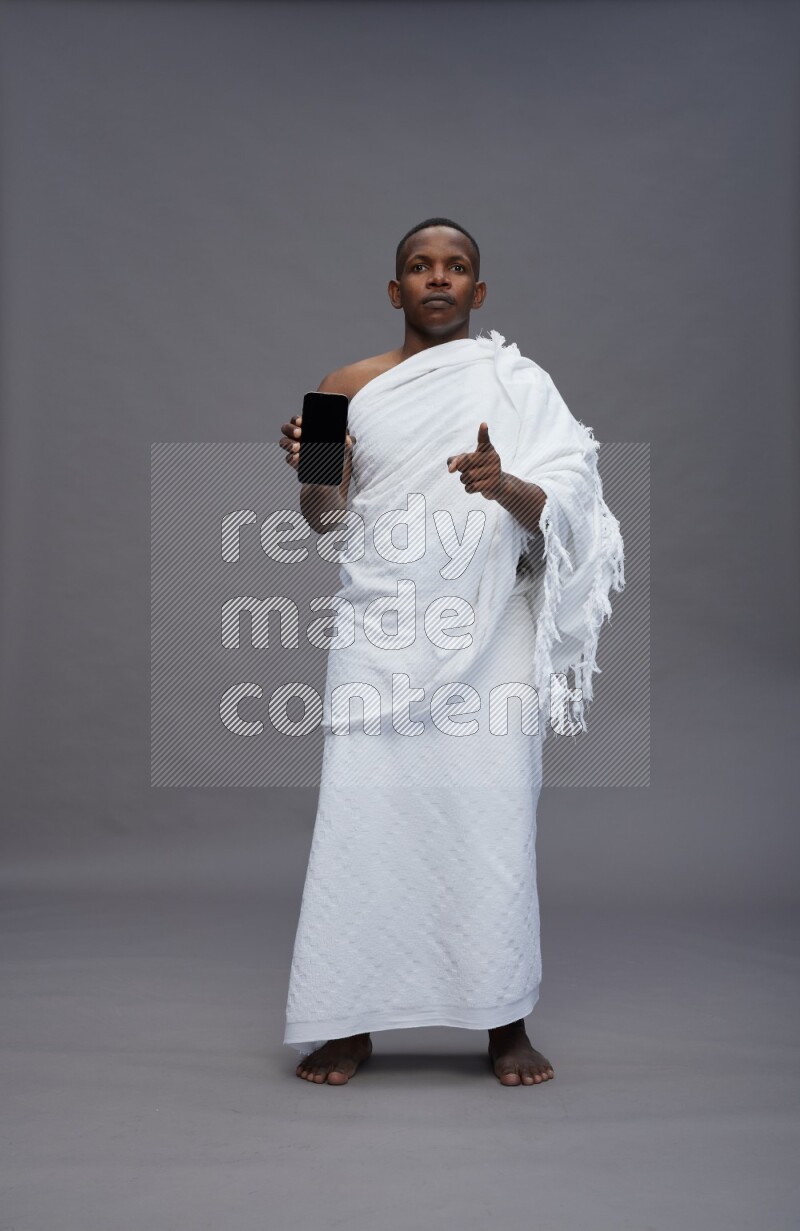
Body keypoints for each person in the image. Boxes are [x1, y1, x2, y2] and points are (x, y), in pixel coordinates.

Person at [278, 217, 624, 1086]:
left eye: (456, 266)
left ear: (479, 290)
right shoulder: (339, 390)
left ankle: (504, 1020)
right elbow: (323, 520)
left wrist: (500, 480)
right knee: (363, 821)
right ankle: (349, 1023)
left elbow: (572, 504)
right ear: (396, 290)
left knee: (492, 815)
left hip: (489, 636)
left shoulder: (517, 384)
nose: (439, 278)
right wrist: (318, 469)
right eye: (420, 267)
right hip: (380, 629)